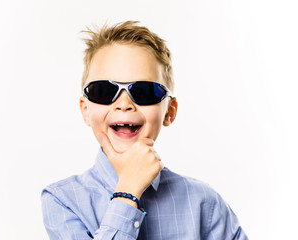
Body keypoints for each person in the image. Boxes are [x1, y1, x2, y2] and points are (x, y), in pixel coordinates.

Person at [41, 20, 248, 240]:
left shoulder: (205, 203)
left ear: (170, 111)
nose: (124, 104)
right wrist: (127, 192)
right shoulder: (62, 200)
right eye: (104, 90)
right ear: (85, 110)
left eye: (144, 91)